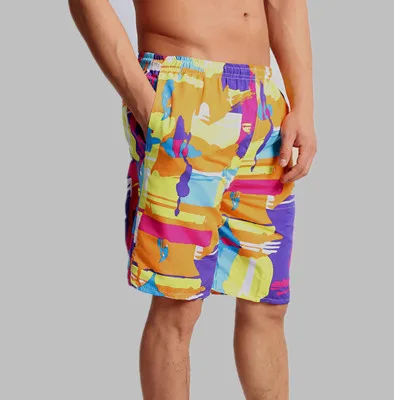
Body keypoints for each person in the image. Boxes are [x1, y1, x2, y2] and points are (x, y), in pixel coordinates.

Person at [69, 0, 316, 398]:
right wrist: (145, 102)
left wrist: (303, 103)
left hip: (263, 103)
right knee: (178, 301)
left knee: (266, 299)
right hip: (182, 93)